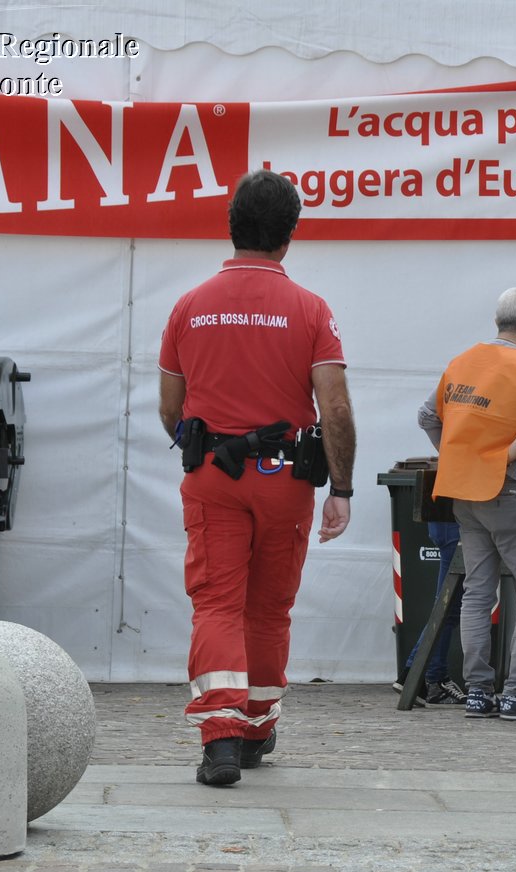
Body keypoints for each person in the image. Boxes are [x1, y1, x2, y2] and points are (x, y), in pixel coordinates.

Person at [158, 169, 357, 786]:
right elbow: (337, 409)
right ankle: (256, 727)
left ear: (231, 227)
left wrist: (199, 443)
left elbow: (170, 405)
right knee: (270, 609)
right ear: (289, 236)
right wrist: (341, 489)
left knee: (216, 603)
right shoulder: (311, 309)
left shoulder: (189, 306)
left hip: (213, 476)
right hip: (285, 479)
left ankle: (219, 737)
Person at [418, 288, 516, 722]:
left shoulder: (462, 362)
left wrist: (463, 457)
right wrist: (502, 458)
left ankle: (478, 693)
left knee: (476, 591)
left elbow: (427, 417)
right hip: (509, 492)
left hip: (464, 494)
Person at [398, 519, 466, 706]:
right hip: (456, 524)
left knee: (447, 606)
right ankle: (418, 677)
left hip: (444, 522)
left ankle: (430, 678)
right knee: (447, 609)